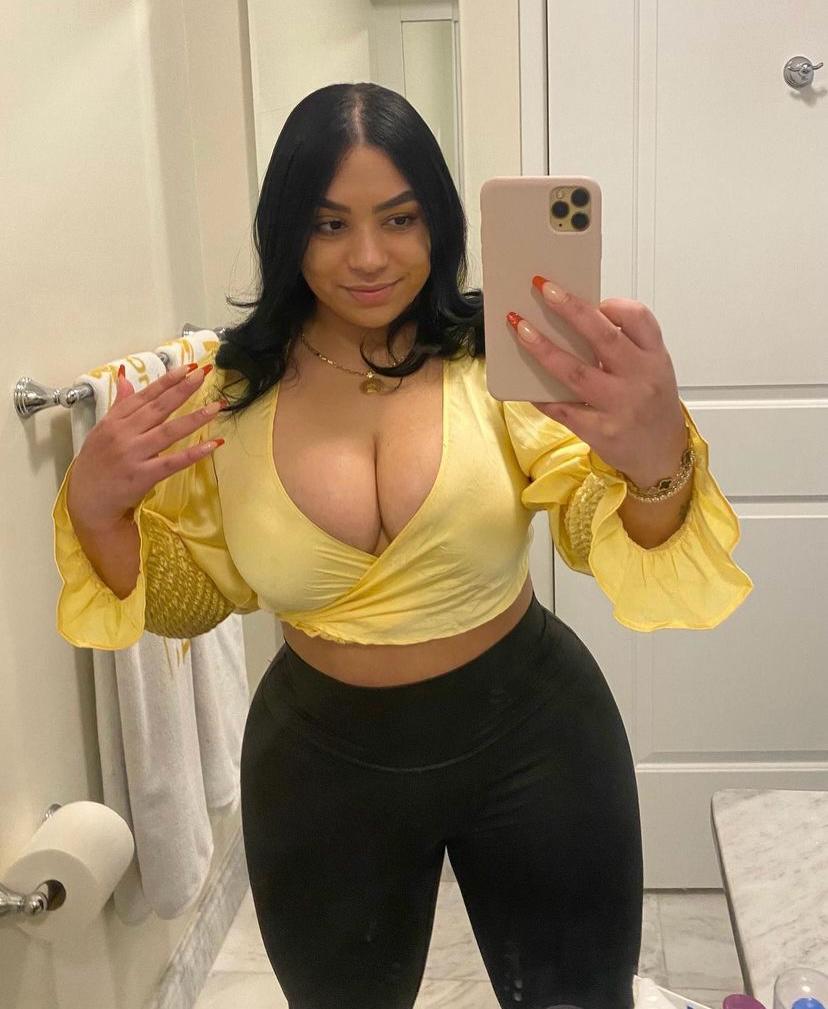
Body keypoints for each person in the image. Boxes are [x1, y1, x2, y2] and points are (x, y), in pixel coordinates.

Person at [53, 83, 753, 1009]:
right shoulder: (224, 392)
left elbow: (593, 525)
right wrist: (99, 512)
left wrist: (656, 465)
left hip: (536, 739)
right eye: (330, 223)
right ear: (287, 231)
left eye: (400, 217)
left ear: (440, 221)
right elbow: (196, 597)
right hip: (320, 766)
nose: (369, 256)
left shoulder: (500, 360)